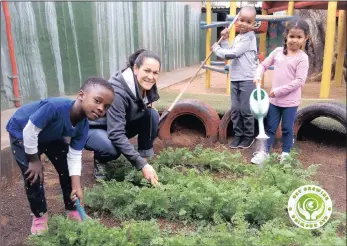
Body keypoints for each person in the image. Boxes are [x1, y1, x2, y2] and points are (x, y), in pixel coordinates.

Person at [6, 77, 115, 234]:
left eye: (106, 107)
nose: (101, 109)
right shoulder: (55, 107)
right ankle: (40, 216)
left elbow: (75, 156)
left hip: (51, 136)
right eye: (97, 101)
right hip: (22, 133)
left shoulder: (83, 126)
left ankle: (72, 209)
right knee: (33, 176)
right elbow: (30, 131)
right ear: (81, 95)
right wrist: (34, 159)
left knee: (66, 168)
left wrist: (77, 186)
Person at [85, 49, 160, 186]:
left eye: (155, 73)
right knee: (111, 148)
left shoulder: (146, 85)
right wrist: (141, 165)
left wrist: (142, 162)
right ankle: (100, 160)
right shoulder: (118, 92)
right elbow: (116, 133)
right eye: (147, 71)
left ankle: (144, 157)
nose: (151, 77)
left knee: (152, 115)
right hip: (94, 128)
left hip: (116, 123)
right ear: (136, 68)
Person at [251, 19, 312, 165]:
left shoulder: (303, 58)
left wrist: (278, 91)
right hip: (274, 101)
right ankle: (264, 153)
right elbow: (263, 65)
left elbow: (299, 81)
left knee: (286, 129)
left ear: (306, 38)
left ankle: (285, 154)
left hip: (290, 102)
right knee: (270, 127)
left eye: (299, 37)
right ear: (286, 36)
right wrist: (258, 74)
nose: (294, 40)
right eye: (292, 36)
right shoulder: (278, 52)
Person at [212, 6, 258, 149]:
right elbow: (230, 49)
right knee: (235, 109)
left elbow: (232, 54)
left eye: (249, 22)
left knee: (245, 110)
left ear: (253, 24)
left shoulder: (250, 38)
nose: (244, 24)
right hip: (235, 79)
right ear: (237, 20)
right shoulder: (238, 38)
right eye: (242, 20)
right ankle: (238, 135)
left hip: (247, 79)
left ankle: (248, 136)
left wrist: (216, 49)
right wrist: (224, 40)